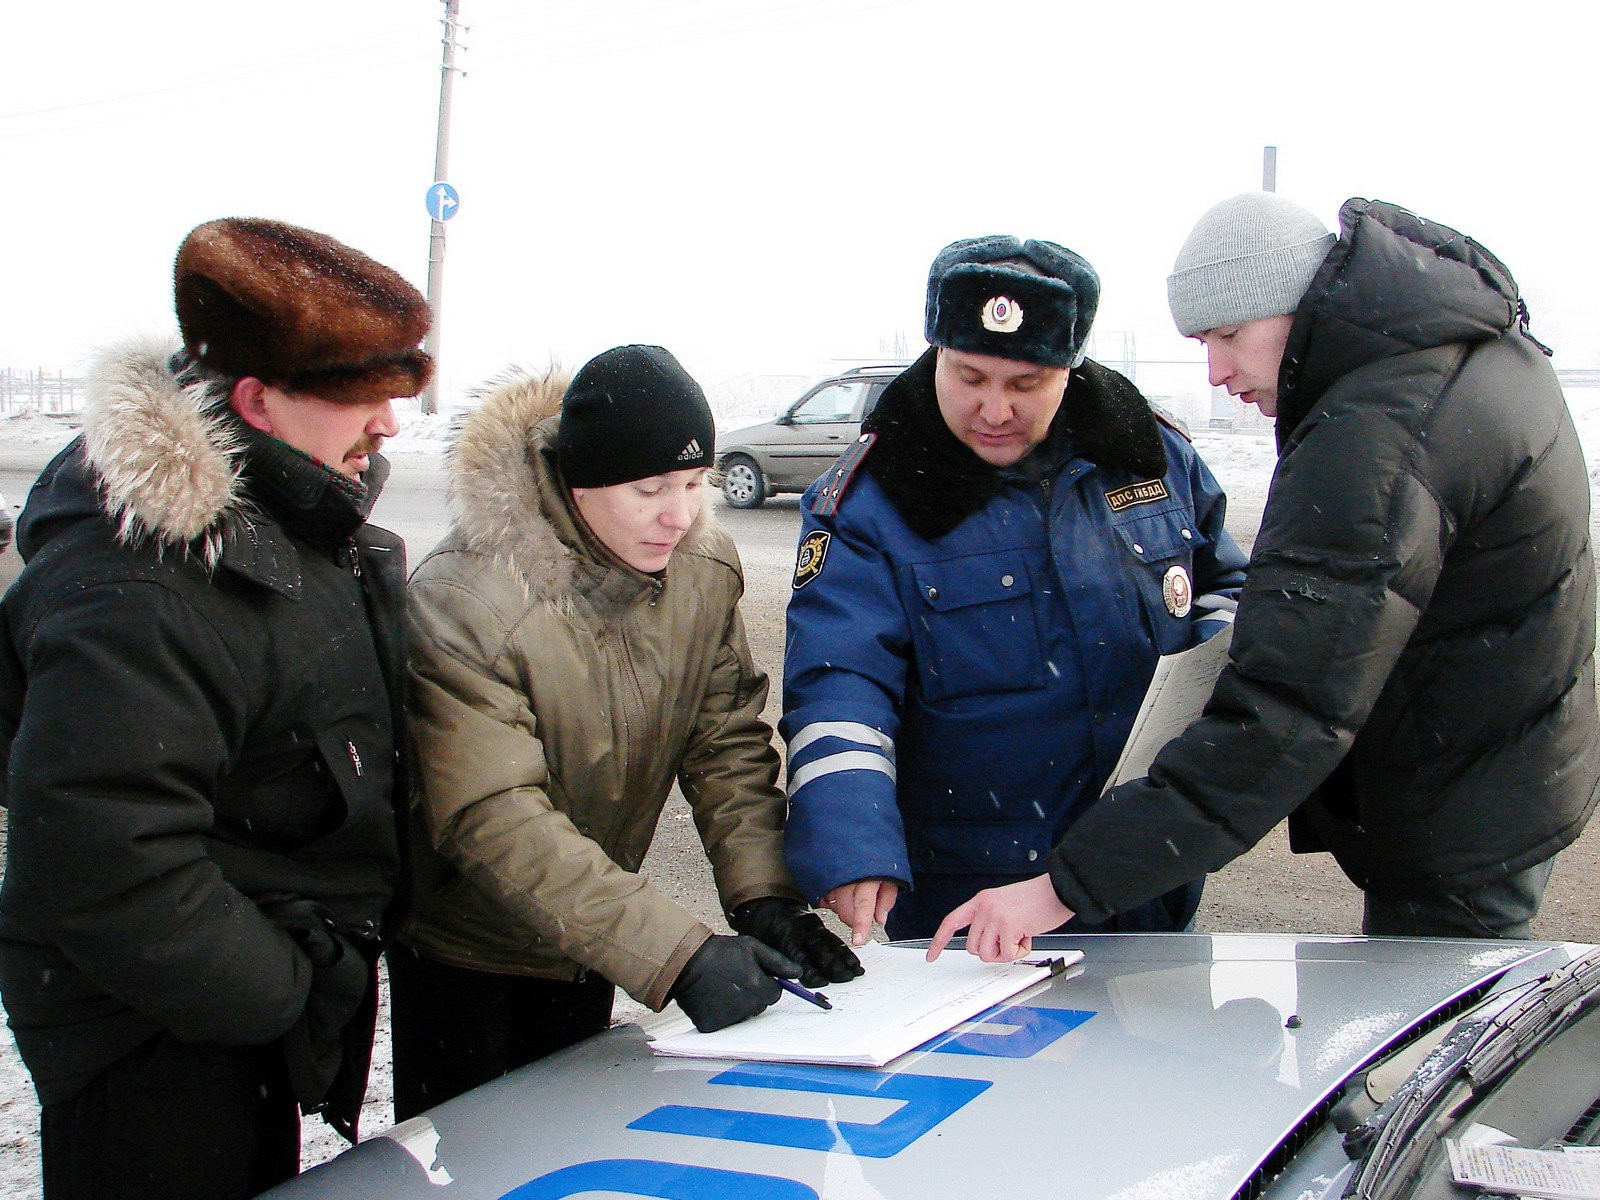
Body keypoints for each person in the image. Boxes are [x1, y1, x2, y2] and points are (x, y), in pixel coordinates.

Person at [931, 194, 1600, 962]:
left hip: (1457, 807)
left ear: (1294, 303)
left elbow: (1285, 710)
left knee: (1441, 1039)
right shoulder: (1461, 351)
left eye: (1230, 335)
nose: (1216, 371)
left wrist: (1063, 888)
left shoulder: (1378, 437)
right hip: (1499, 768)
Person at [0, 217, 430, 1198]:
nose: (389, 424)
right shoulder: (138, 585)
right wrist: (282, 991)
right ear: (255, 401)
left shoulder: (289, 509)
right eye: (361, 396)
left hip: (227, 1016)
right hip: (153, 1042)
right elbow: (106, 860)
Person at [390, 344, 860, 1119]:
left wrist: (764, 896)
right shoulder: (467, 599)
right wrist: (677, 957)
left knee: (569, 1149)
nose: (678, 514)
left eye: (692, 483)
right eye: (649, 490)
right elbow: (490, 816)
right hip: (466, 954)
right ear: (580, 486)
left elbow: (724, 742)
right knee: (468, 1165)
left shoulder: (699, 567)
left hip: (592, 943)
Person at [781, 235, 1249, 945]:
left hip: (1140, 873)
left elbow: (1228, 589)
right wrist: (853, 844)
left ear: (1070, 369)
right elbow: (838, 684)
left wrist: (1204, 676)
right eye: (969, 376)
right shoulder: (872, 503)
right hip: (973, 910)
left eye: (1025, 384)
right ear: (937, 351)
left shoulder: (1147, 456)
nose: (993, 409)